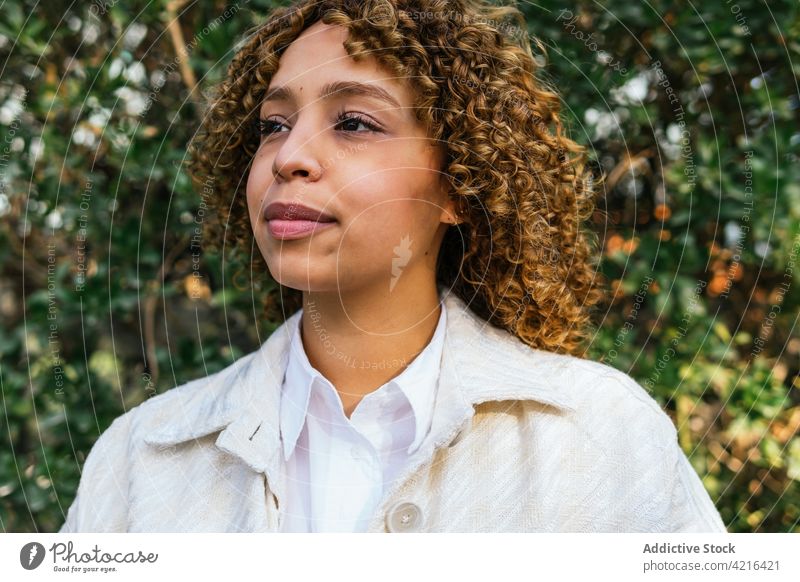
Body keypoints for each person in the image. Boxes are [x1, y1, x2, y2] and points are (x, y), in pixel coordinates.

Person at [59, 0, 727, 533]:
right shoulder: (138, 460)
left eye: (353, 122)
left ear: (459, 187)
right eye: (272, 125)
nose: (291, 155)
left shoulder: (602, 435)